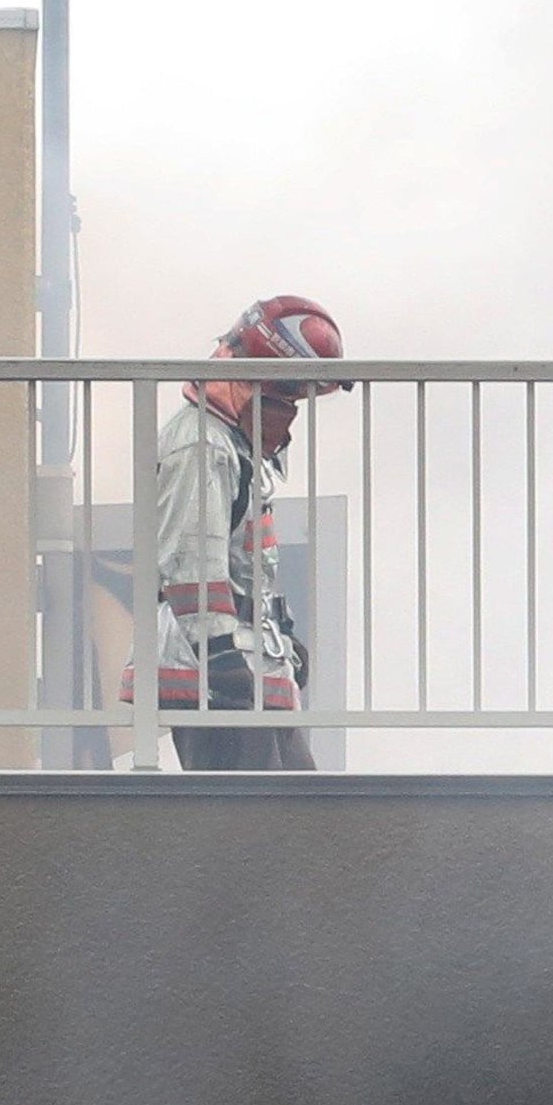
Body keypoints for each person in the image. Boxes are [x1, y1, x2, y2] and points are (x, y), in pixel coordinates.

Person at [124, 294, 345, 772]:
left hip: (250, 669)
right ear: (258, 380)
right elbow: (188, 558)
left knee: (297, 822)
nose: (290, 411)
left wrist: (279, 640)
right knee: (248, 831)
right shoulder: (201, 442)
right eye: (287, 395)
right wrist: (220, 656)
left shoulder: (230, 444)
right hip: (216, 676)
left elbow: (243, 569)